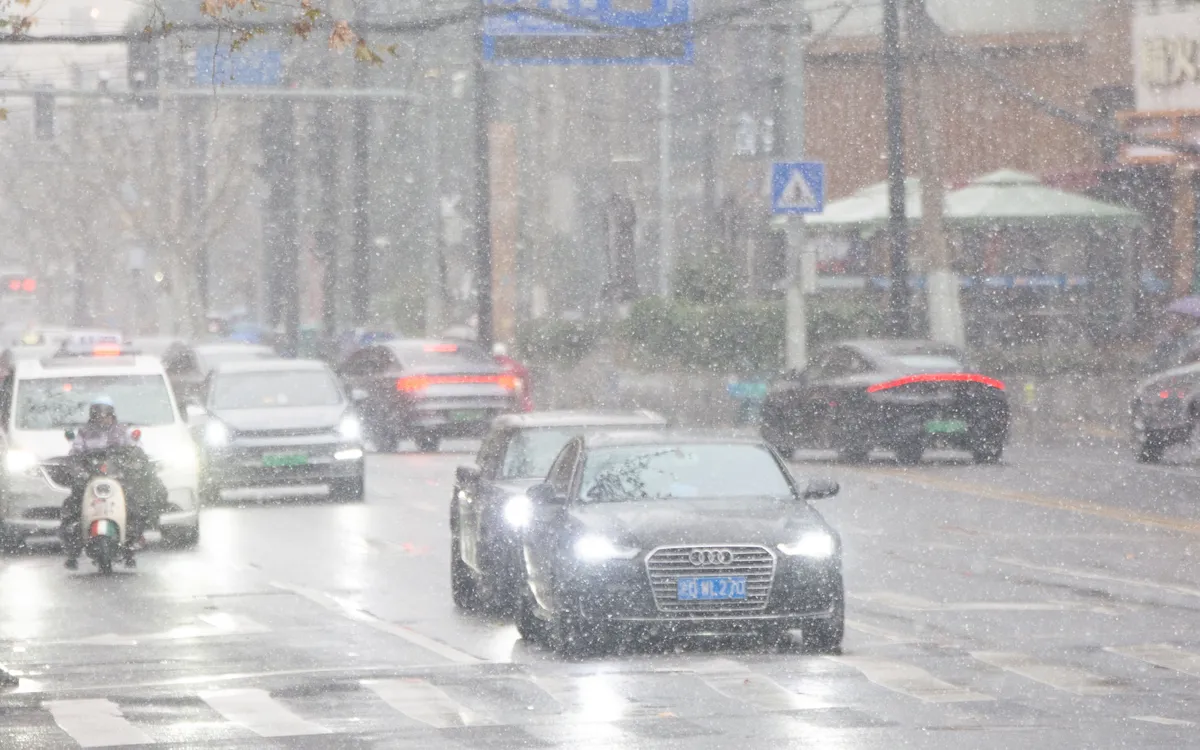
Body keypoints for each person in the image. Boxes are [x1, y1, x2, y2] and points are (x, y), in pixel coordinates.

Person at [60, 397, 165, 570]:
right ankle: (73, 551)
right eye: (98, 414)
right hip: (89, 480)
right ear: (92, 415)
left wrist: (132, 465)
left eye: (106, 414)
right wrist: (78, 470)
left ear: (112, 415)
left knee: (134, 505)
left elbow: (136, 451)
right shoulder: (84, 433)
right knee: (72, 508)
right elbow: (74, 455)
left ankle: (132, 541)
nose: (102, 418)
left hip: (119, 479)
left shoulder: (122, 432)